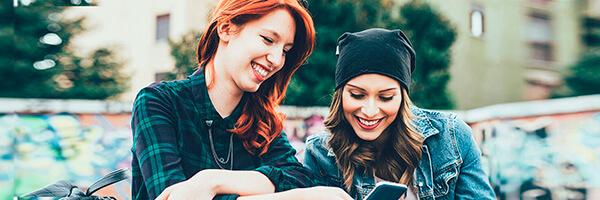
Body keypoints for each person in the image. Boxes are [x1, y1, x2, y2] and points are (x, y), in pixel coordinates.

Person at [131, 0, 349, 199]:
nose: (276, 59)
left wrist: (213, 181)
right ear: (226, 28)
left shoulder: (264, 121)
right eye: (268, 39)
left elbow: (297, 178)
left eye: (285, 50)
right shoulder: (159, 102)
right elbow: (174, 196)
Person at [303, 28, 496, 199]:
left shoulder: (451, 137)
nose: (370, 111)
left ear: (403, 98)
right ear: (341, 95)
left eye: (385, 97)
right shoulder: (319, 154)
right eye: (357, 95)